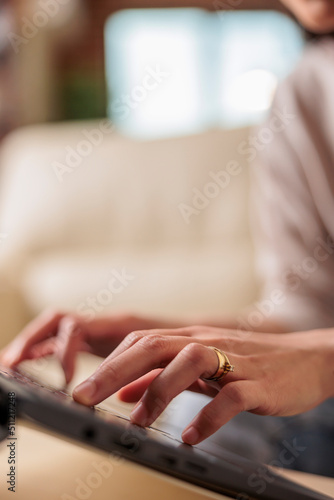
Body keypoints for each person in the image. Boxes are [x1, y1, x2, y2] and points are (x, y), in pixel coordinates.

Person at [1, 0, 334, 473]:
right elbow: (307, 313)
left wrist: (323, 359)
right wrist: (169, 335)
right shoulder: (302, 95)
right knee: (204, 404)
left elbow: (316, 347)